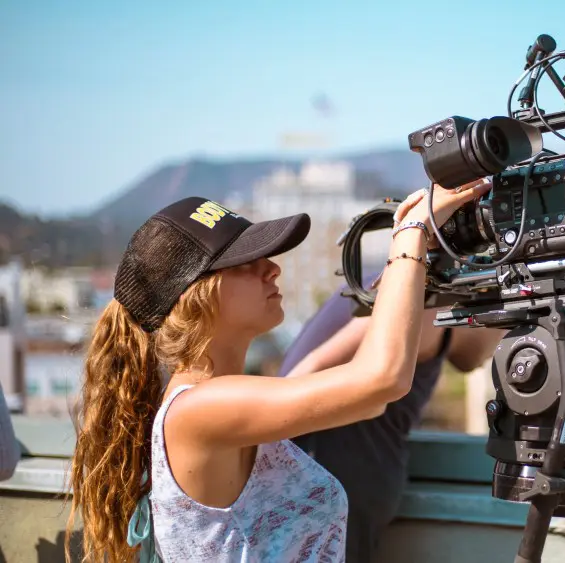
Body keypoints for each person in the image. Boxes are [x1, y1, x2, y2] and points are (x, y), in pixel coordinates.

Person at [66, 180, 491, 562]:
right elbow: (382, 381)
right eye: (244, 263)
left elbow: (370, 401)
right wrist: (411, 233)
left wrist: (420, 270)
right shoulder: (199, 409)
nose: (272, 267)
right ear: (196, 295)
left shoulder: (229, 398)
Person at [279, 272, 503, 563]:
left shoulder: (404, 290)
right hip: (327, 492)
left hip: (332, 494)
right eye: (509, 324)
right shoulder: (424, 304)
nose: (505, 343)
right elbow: (303, 376)